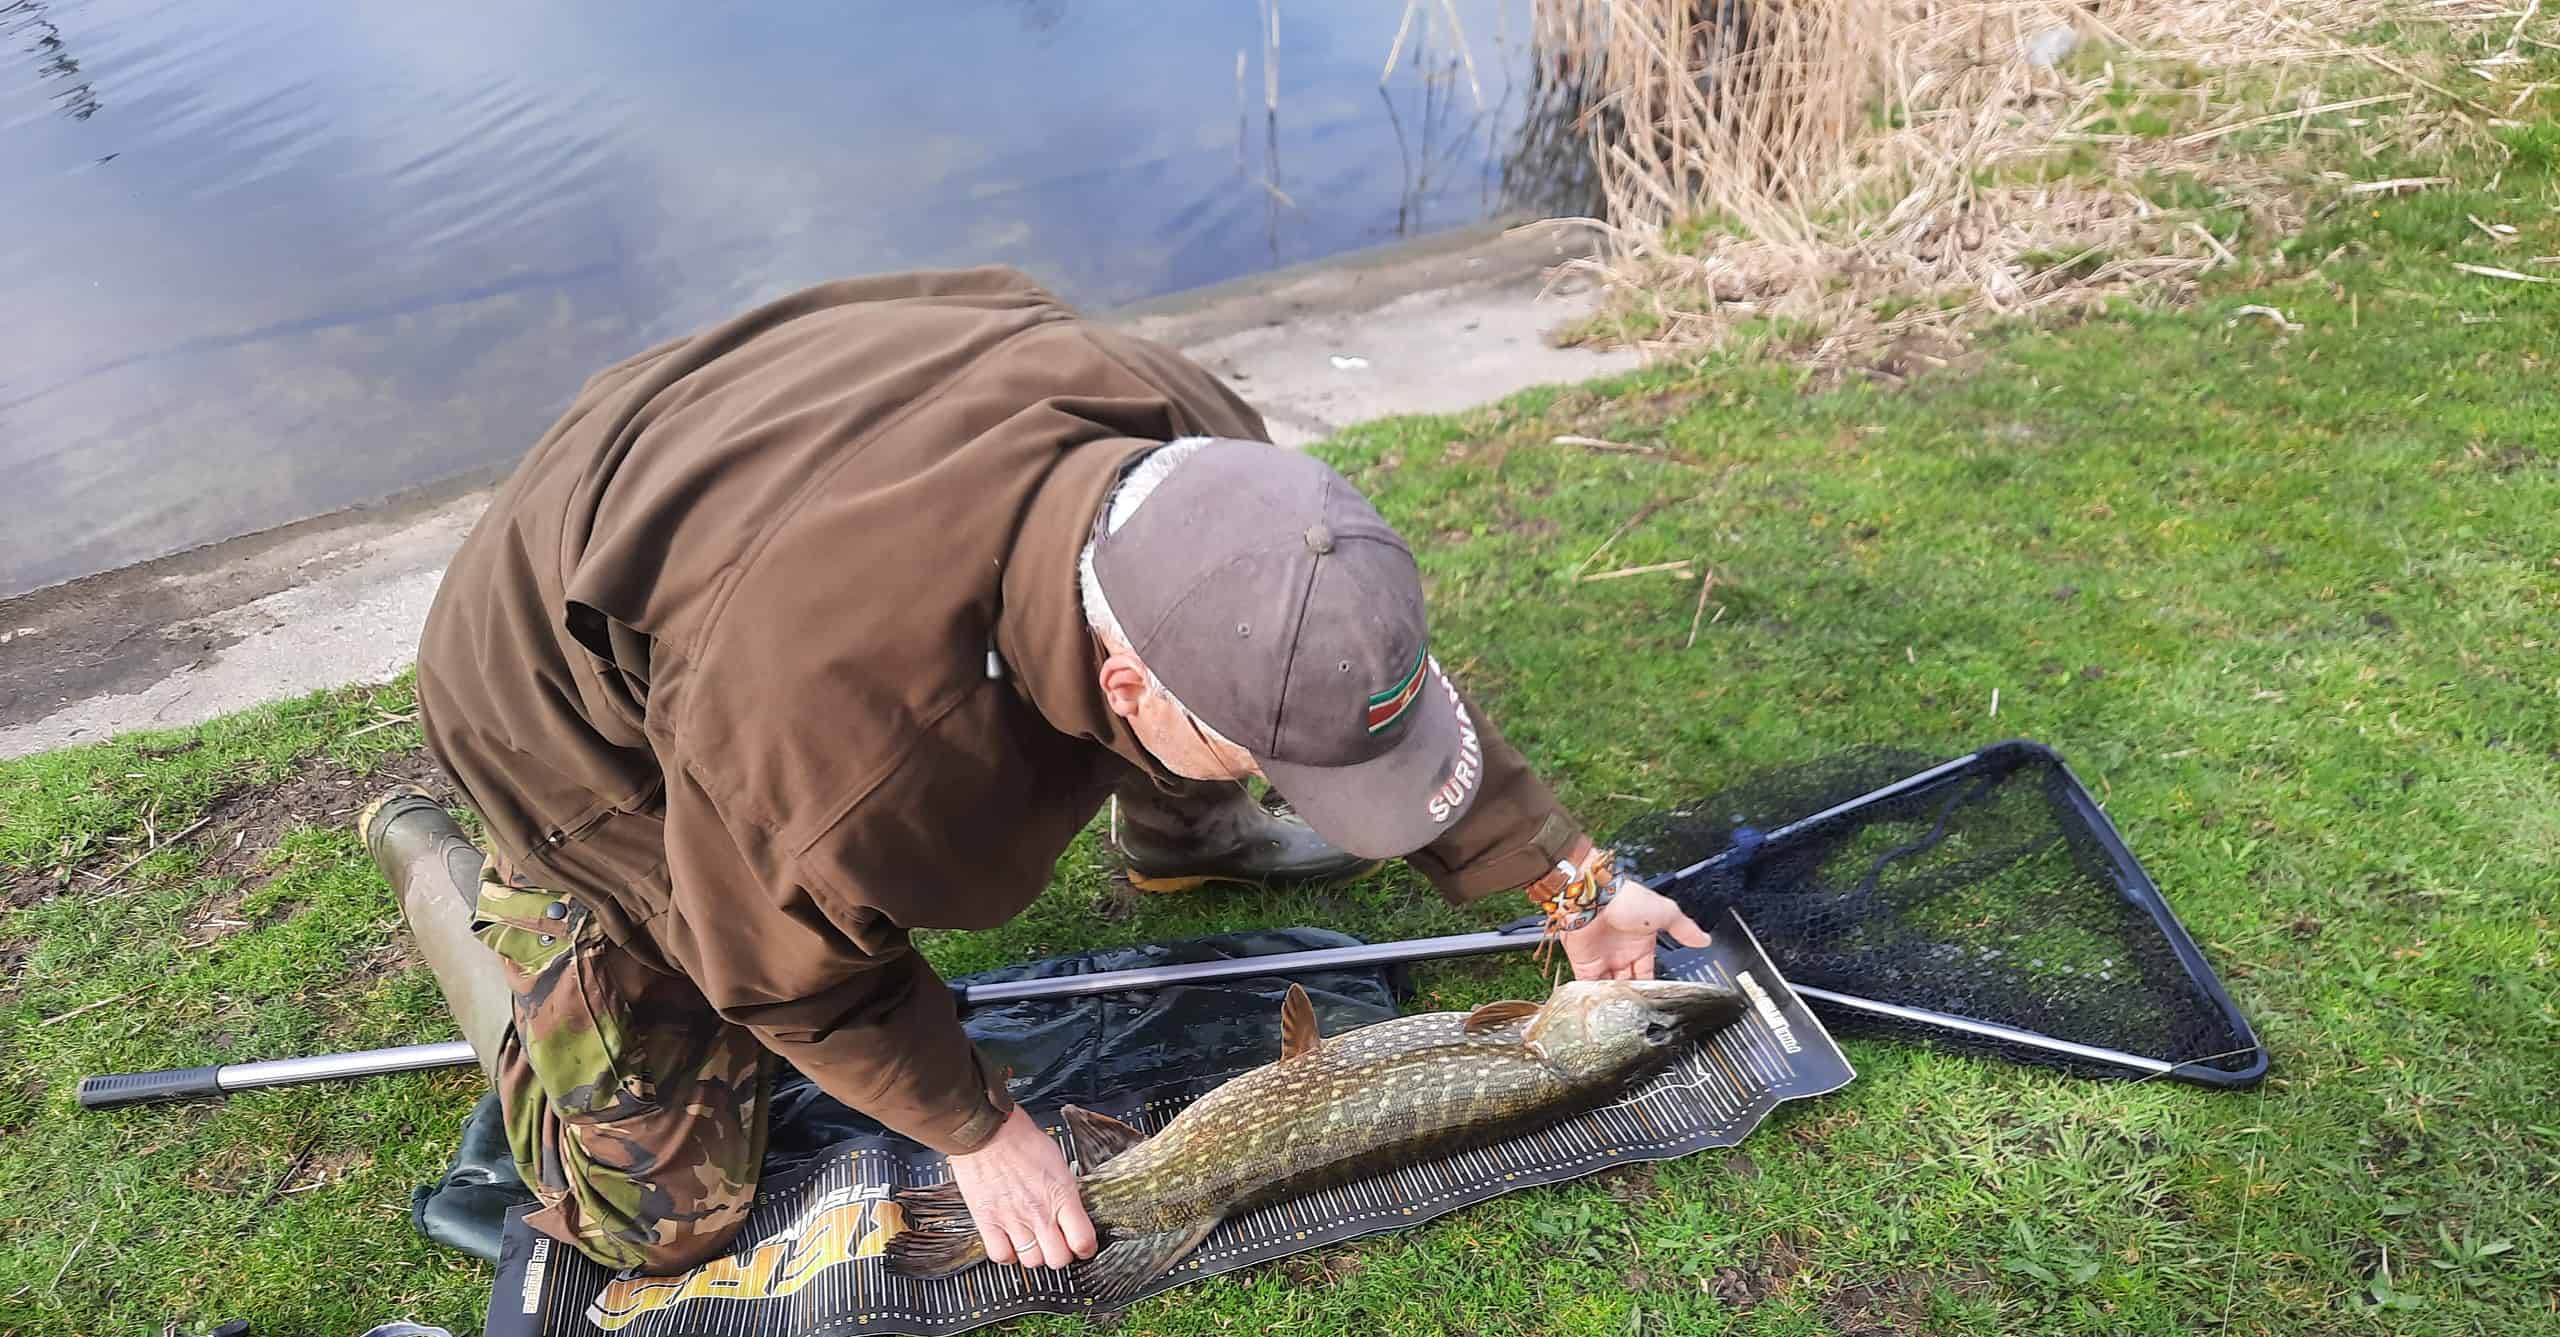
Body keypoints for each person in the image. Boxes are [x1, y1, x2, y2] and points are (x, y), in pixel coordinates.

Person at [372, 269, 1706, 1279]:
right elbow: (792, 974)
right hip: (563, 693)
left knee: (1223, 694)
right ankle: (481, 888)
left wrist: (1570, 882)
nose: (1320, 786)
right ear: (1123, 690)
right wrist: (972, 1127)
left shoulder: (1218, 471)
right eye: (1278, 760)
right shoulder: (855, 751)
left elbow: (1333, 677)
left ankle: (1187, 827)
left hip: (806, 461)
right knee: (670, 1213)